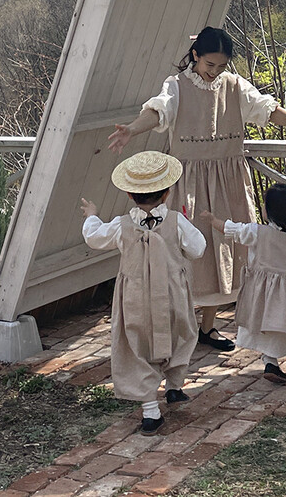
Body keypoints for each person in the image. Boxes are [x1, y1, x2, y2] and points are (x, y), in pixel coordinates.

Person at [107, 26, 286, 351]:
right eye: (209, 64)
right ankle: (177, 329)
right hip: (189, 183)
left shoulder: (235, 86)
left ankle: (207, 327)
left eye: (221, 66)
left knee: (224, 254)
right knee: (184, 253)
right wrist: (131, 129)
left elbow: (269, 111)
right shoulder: (177, 85)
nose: (214, 71)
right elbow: (157, 112)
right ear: (195, 55)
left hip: (228, 182)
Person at [80, 150, 206, 435]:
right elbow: (198, 248)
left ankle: (151, 412)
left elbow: (94, 237)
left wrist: (92, 216)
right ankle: (174, 387)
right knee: (180, 334)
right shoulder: (176, 221)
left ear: (129, 194)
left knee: (137, 346)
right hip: (173, 294)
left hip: (134, 297)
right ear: (167, 192)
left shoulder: (121, 225)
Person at [202, 182, 286, 383]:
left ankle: (271, 361)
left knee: (267, 326)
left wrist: (212, 220)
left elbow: (232, 230)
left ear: (272, 211)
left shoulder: (258, 232)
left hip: (264, 293)